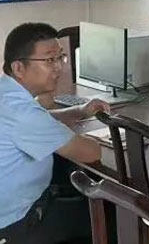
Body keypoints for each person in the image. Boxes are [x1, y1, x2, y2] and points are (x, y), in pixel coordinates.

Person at [0, 22, 110, 244]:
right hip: (20, 223)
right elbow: (91, 153)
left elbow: (41, 120)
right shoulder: (22, 113)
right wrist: (101, 136)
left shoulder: (7, 93)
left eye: (61, 58)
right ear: (19, 67)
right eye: (50, 60)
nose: (59, 67)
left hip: (19, 206)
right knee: (115, 213)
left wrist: (78, 111)